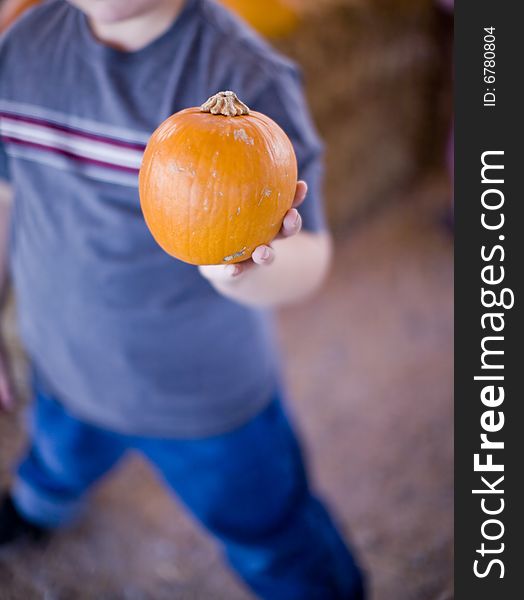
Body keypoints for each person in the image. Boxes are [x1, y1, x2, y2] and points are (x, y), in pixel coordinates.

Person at [0, 1, 365, 597]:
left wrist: (236, 269)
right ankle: (40, 505)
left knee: (266, 532)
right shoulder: (21, 47)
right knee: (57, 459)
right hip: (63, 366)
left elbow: (310, 258)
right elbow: (6, 194)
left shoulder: (249, 75)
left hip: (201, 401)